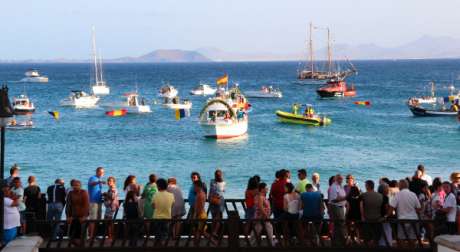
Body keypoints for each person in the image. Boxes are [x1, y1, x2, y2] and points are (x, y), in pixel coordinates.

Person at [389, 179, 421, 247]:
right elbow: (418, 209)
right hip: (414, 219)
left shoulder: (398, 195)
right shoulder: (413, 194)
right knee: (412, 238)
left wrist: (387, 216)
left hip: (402, 220)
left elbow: (391, 208)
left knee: (401, 238)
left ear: (400, 186)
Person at [65, 180, 89, 247]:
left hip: (82, 216)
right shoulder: (70, 193)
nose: (75, 187)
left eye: (77, 185)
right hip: (73, 216)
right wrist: (68, 216)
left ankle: (81, 246)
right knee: (71, 236)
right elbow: (68, 206)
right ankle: (78, 246)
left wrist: (84, 216)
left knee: (82, 236)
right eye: (74, 185)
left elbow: (86, 205)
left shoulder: (84, 192)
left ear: (80, 186)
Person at [360, 180, 383, 245]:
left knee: (367, 237)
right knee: (376, 237)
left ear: (367, 186)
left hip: (367, 219)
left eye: (365, 185)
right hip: (377, 218)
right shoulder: (380, 195)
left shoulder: (364, 195)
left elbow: (361, 207)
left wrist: (362, 216)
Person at [328, 174, 347, 247]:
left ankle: (337, 242)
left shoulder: (340, 186)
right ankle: (341, 242)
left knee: (338, 226)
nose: (341, 180)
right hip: (336, 207)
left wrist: (343, 198)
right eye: (339, 179)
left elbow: (340, 197)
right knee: (340, 224)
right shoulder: (333, 187)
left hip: (341, 207)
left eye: (342, 179)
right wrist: (345, 197)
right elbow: (334, 200)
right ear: (336, 179)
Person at [88, 167, 105, 239]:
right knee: (93, 219)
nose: (102, 173)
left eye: (103, 172)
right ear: (97, 172)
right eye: (100, 172)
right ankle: (91, 236)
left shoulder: (99, 179)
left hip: (99, 202)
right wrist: (99, 182)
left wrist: (104, 194)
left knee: (98, 219)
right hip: (93, 202)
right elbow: (91, 184)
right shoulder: (93, 178)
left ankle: (95, 235)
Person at [209, 169, 225, 237]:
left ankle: (213, 231)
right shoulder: (223, 182)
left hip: (212, 199)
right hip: (219, 200)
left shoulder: (212, 181)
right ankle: (215, 232)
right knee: (218, 218)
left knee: (213, 217)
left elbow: (211, 190)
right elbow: (222, 191)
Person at [103, 176, 119, 242]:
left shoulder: (113, 188)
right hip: (109, 207)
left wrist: (105, 194)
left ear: (113, 182)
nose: (108, 182)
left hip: (111, 207)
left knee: (109, 222)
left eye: (110, 181)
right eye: (108, 181)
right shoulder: (110, 188)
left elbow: (112, 197)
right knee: (107, 221)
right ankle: (109, 236)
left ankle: (111, 237)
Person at [193, 180, 209, 245]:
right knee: (197, 231)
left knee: (202, 232)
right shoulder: (202, 193)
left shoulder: (199, 195)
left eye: (195, 187)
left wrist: (195, 216)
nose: (194, 188)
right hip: (202, 214)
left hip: (200, 215)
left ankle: (215, 243)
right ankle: (196, 244)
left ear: (198, 187)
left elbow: (199, 207)